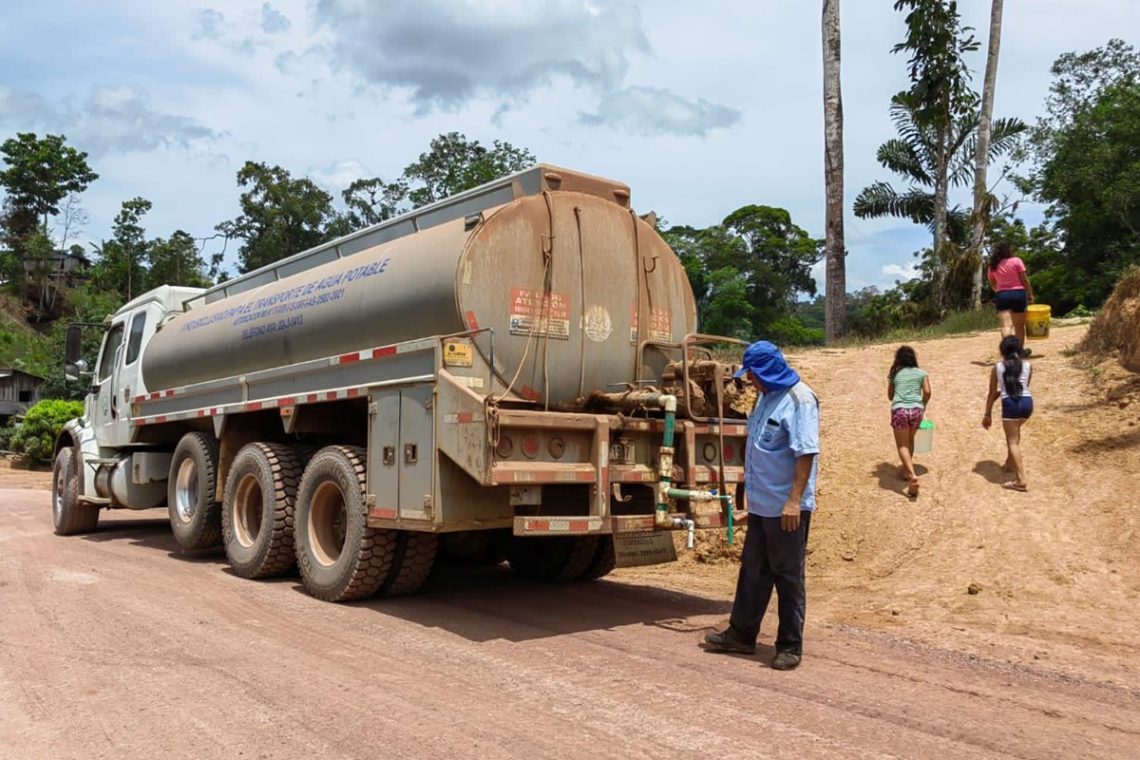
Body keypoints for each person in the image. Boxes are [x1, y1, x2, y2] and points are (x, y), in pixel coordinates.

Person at [704, 341, 819, 671]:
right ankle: (741, 635)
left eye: (751, 375)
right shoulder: (765, 397)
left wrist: (794, 501)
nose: (748, 381)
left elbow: (806, 453)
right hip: (761, 504)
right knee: (753, 570)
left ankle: (790, 646)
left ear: (765, 372)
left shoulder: (800, 400)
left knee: (788, 575)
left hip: (787, 507)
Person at [983, 335, 1033, 492]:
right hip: (1027, 403)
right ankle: (1010, 464)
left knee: (1012, 441)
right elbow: (1023, 386)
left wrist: (987, 413)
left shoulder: (997, 367)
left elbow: (992, 393)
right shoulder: (1028, 365)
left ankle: (1021, 480)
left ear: (1002, 350)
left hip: (1010, 404)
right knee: (1015, 434)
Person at [888, 345, 932, 498]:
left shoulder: (895, 373)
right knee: (910, 440)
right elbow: (927, 391)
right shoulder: (921, 373)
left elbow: (890, 396)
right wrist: (923, 404)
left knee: (902, 445)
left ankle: (912, 475)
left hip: (900, 409)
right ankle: (907, 471)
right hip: (916, 410)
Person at [987, 241, 1035, 356]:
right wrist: (1030, 293)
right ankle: (1019, 352)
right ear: (1008, 251)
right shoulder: (1016, 261)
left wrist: (1000, 291)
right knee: (1019, 326)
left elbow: (992, 283)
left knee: (1006, 326)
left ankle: (1009, 353)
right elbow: (1024, 279)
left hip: (1002, 295)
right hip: (1018, 293)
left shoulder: (993, 266)